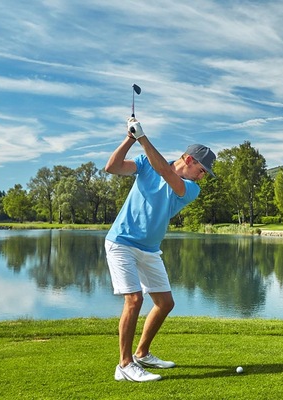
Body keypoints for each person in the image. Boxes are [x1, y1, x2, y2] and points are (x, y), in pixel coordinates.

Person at [104, 117, 216, 382]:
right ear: (188, 159)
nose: (203, 176)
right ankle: (124, 364)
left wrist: (142, 138)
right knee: (134, 300)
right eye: (202, 169)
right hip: (121, 242)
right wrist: (130, 139)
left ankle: (142, 353)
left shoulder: (191, 188)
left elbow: (166, 174)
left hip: (150, 249)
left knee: (165, 303)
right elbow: (112, 167)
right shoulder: (144, 165)